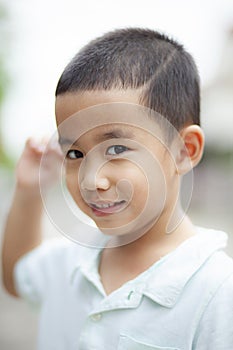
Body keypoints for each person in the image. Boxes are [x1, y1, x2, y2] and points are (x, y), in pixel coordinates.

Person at [2, 28, 233, 349]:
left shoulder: (216, 292)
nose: (91, 180)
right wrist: (29, 190)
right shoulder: (73, 260)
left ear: (184, 150)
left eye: (117, 149)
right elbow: (16, 278)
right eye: (75, 153)